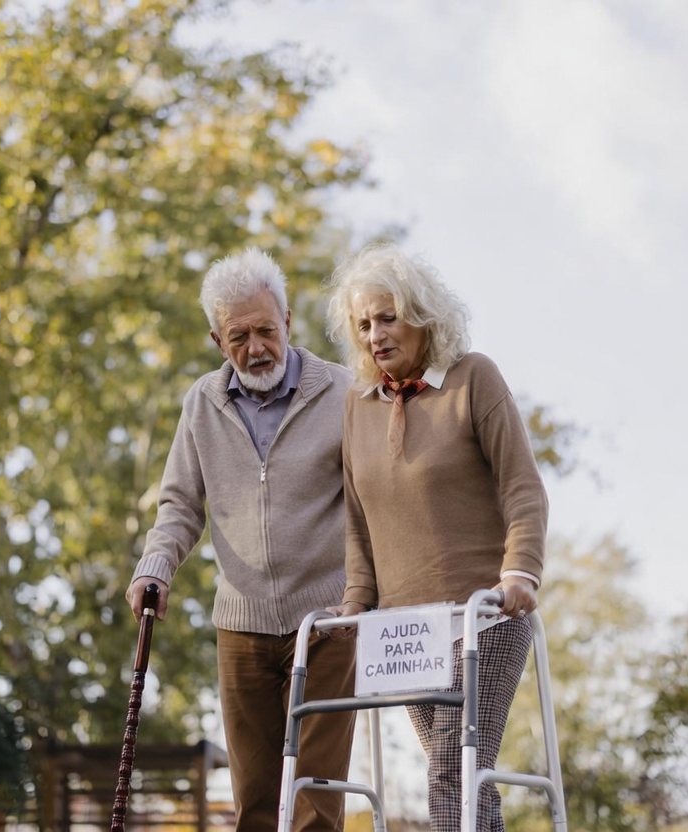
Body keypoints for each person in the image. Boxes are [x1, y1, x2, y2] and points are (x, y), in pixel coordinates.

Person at [124, 247, 356, 832]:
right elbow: (179, 504)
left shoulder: (342, 393)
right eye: (238, 337)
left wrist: (367, 594)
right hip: (242, 626)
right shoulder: (202, 404)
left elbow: (370, 500)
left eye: (265, 331)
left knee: (314, 803)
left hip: (327, 623)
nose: (256, 348)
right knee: (254, 804)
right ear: (215, 341)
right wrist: (155, 566)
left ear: (288, 322)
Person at [324, 242, 549, 832]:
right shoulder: (357, 406)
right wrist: (355, 599)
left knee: (454, 768)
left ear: (424, 317)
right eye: (364, 323)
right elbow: (357, 519)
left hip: (486, 615)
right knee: (461, 776)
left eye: (388, 317)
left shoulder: (473, 379)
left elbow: (523, 487)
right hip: (405, 631)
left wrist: (520, 570)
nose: (375, 334)